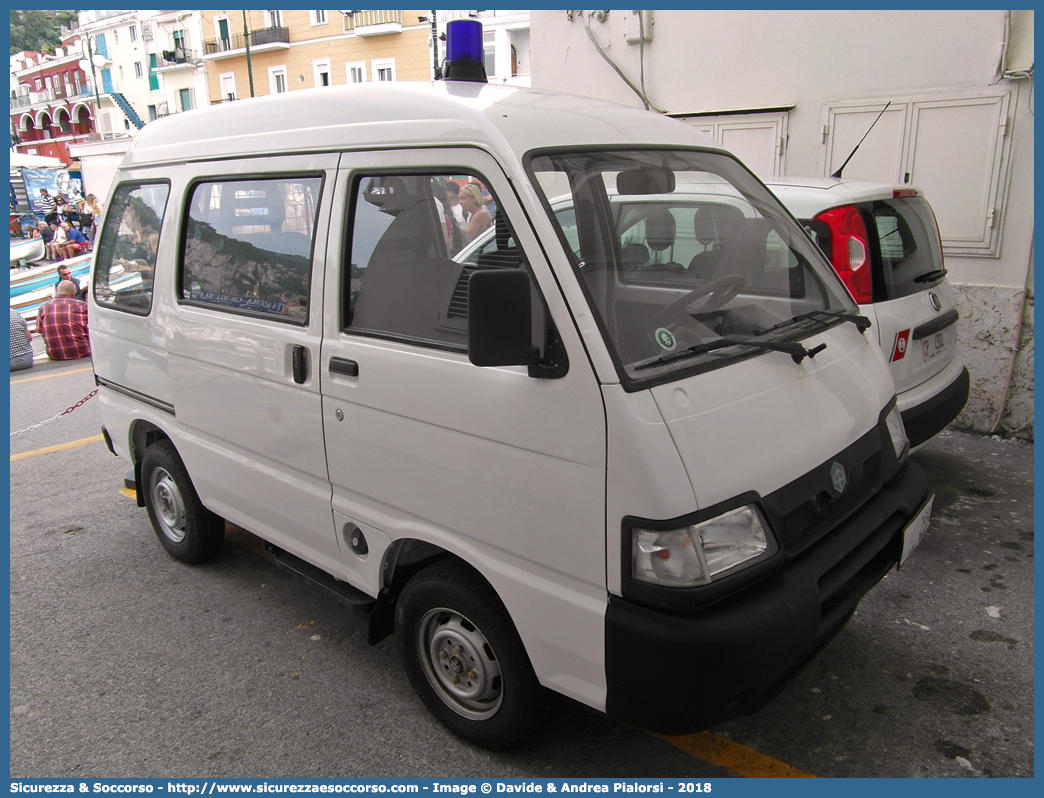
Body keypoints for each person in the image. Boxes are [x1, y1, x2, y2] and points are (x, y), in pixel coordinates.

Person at [37, 280, 90, 360]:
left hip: (55, 354)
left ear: (57, 291)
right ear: (73, 293)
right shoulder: (82, 305)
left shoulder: (43, 307)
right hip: (81, 352)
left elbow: (39, 330)